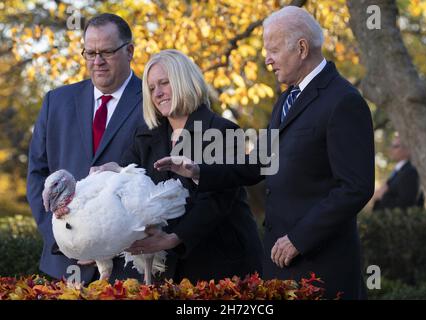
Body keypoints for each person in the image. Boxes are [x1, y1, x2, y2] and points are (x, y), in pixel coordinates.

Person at [155, 7, 374, 299]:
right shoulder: (286, 99)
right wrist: (198, 171)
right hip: (280, 265)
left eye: (272, 50)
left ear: (301, 48)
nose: (267, 59)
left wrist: (298, 238)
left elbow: (355, 188)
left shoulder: (344, 101)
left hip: (322, 267)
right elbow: (258, 163)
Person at [93, 49, 263, 283]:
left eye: (164, 83)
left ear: (185, 80)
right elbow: (126, 182)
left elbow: (216, 202)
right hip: (166, 268)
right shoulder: (144, 136)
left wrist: (173, 238)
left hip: (219, 265)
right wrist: (108, 177)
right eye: (151, 88)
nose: (158, 93)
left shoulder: (223, 131)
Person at [26, 13, 145, 283]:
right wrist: (68, 238)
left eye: (106, 52)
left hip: (129, 266)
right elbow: (37, 176)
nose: (97, 61)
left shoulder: (155, 101)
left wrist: (110, 242)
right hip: (65, 265)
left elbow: (157, 175)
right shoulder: (56, 102)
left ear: (129, 51)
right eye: (89, 53)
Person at [373, 135, 424, 211]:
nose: (391, 149)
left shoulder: (410, 172)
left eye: (395, 146)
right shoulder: (398, 171)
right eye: (391, 146)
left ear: (407, 149)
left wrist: (382, 195)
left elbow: (406, 204)